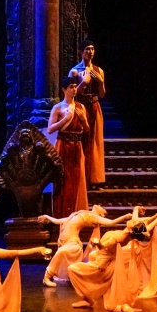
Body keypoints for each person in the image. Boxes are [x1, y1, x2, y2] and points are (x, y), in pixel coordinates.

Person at [68, 217, 157, 312]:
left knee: (72, 269)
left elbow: (103, 246)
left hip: (102, 264)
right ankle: (90, 300)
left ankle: (89, 300)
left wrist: (97, 243)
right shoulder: (128, 233)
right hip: (104, 260)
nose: (133, 220)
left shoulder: (119, 237)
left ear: (131, 230)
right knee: (101, 284)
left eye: (134, 222)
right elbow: (144, 227)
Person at [37, 205, 131, 286]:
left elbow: (111, 222)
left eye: (102, 208)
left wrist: (125, 217)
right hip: (64, 242)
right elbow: (58, 221)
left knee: (61, 252)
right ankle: (73, 277)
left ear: (101, 214)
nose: (98, 205)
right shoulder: (80, 213)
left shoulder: (93, 217)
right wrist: (46, 216)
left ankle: (47, 276)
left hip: (73, 243)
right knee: (62, 255)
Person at [48, 78, 90, 218]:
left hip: (77, 146)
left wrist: (84, 120)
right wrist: (65, 120)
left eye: (75, 86)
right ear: (64, 89)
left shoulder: (80, 107)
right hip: (63, 145)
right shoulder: (58, 107)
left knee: (77, 178)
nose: (74, 89)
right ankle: (61, 214)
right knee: (63, 179)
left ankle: (76, 213)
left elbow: (86, 129)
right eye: (71, 87)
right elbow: (50, 129)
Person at [69, 40, 106, 186]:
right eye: (87, 49)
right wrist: (83, 83)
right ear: (81, 52)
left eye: (92, 49)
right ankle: (82, 178)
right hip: (81, 107)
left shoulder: (98, 70)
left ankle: (94, 178)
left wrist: (101, 82)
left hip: (95, 106)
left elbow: (102, 94)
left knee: (95, 142)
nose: (90, 52)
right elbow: (70, 94)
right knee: (82, 140)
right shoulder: (75, 71)